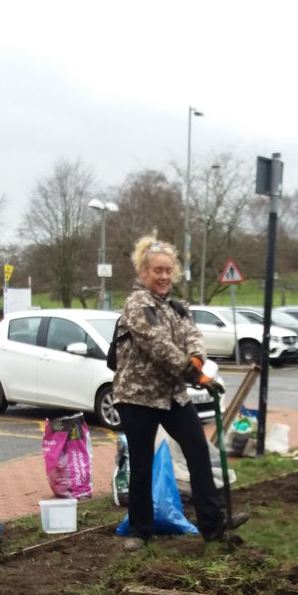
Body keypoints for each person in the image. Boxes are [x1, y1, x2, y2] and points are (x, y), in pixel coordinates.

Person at [111, 234, 248, 552]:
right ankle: (140, 531)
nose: (163, 276)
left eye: (168, 271)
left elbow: (192, 337)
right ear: (144, 273)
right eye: (157, 270)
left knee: (198, 451)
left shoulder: (176, 306)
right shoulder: (137, 305)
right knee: (142, 463)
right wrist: (195, 374)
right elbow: (160, 347)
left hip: (172, 394)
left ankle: (213, 525)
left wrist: (198, 360)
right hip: (137, 396)